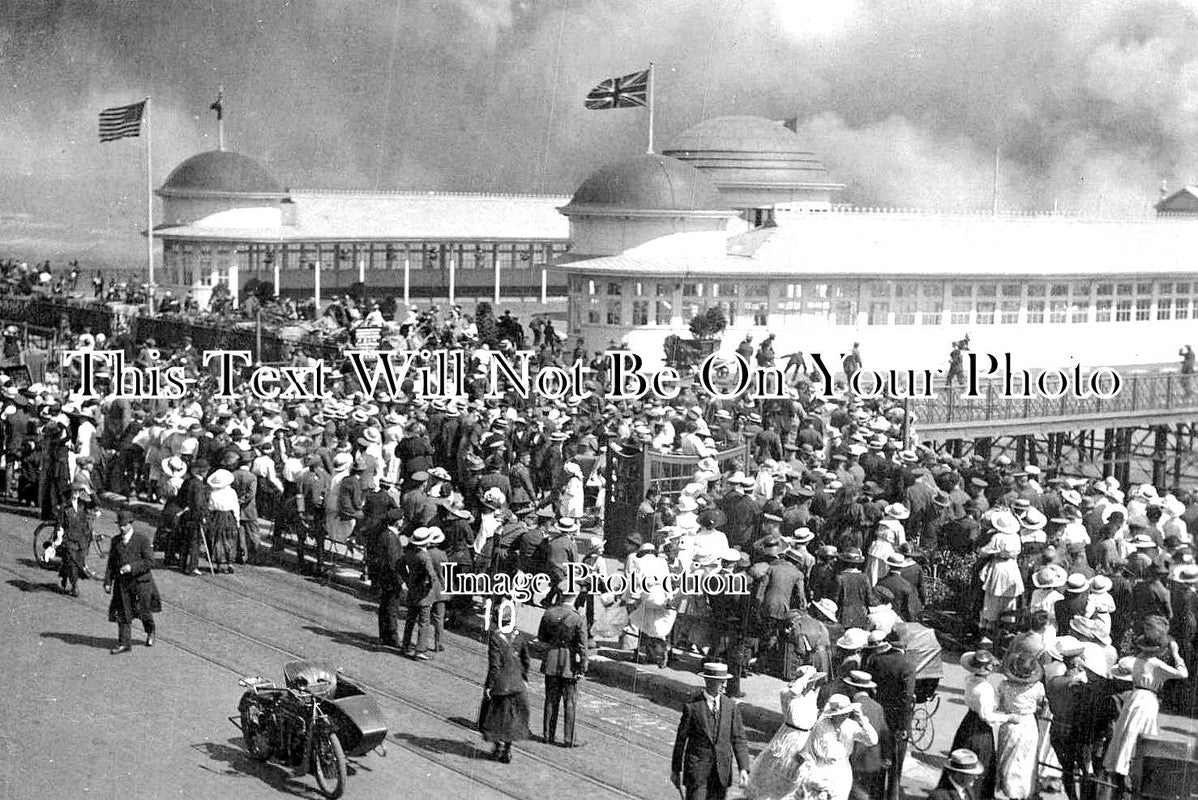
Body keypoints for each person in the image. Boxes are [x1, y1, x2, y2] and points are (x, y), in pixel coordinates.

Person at [1102, 628, 1189, 786]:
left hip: (1135, 696)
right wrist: (1176, 654)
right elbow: (1183, 674)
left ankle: (1121, 766)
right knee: (1140, 733)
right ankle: (1132, 770)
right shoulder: (1156, 664)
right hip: (1147, 699)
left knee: (1128, 731)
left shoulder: (1138, 659)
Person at [671, 662, 752, 800]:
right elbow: (681, 740)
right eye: (720, 682)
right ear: (708, 681)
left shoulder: (730, 707)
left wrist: (743, 768)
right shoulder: (693, 707)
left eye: (725, 681)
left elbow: (739, 739)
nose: (724, 685)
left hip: (721, 773)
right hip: (697, 773)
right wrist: (676, 769)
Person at [744, 665, 822, 800]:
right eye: (811, 681)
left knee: (800, 777)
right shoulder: (788, 693)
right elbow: (795, 690)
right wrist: (805, 677)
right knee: (780, 772)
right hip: (790, 737)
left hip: (806, 738)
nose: (813, 684)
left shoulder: (811, 695)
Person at [791, 693, 878, 800]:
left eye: (846, 713)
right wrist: (810, 773)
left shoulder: (850, 725)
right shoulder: (820, 727)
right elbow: (808, 752)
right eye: (840, 714)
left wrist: (862, 721)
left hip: (842, 770)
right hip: (821, 769)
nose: (843, 717)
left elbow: (872, 740)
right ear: (832, 714)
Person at [945, 650, 1006, 800]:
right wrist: (1008, 717)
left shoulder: (970, 680)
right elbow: (987, 716)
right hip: (980, 729)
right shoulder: (985, 689)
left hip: (968, 722)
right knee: (982, 762)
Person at [103, 510, 160, 654]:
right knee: (123, 613)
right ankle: (124, 643)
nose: (121, 528)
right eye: (119, 525)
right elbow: (111, 563)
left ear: (130, 524)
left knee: (143, 611)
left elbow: (150, 561)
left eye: (124, 525)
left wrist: (131, 567)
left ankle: (150, 630)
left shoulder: (142, 539)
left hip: (141, 583)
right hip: (123, 584)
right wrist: (108, 581)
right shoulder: (116, 540)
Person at [538, 580, 588, 747]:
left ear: (560, 594)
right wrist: (583, 667)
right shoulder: (577, 617)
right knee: (570, 702)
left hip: (551, 660)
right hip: (569, 663)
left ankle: (547, 735)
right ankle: (568, 740)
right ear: (575, 596)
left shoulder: (549, 613)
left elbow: (542, 638)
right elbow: (582, 646)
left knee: (550, 699)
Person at [478, 613, 532, 764]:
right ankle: (507, 748)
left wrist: (489, 686)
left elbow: (494, 666)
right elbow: (526, 659)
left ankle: (498, 746)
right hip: (517, 684)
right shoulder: (519, 635)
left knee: (495, 716)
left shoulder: (495, 638)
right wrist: (524, 677)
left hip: (501, 684)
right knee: (513, 717)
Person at [995, 652, 1047, 800]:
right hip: (1029, 724)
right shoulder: (1038, 688)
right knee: (1027, 760)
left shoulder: (1004, 685)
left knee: (1008, 758)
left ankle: (1010, 791)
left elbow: (999, 704)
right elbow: (1042, 704)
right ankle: (1024, 792)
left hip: (1011, 722)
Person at [56, 478, 96, 597]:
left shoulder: (83, 505)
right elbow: (60, 523)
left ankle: (65, 575)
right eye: (73, 491)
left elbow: (96, 503)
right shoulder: (64, 507)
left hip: (81, 539)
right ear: (70, 493)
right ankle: (75, 587)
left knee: (78, 562)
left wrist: (90, 492)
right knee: (72, 563)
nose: (76, 493)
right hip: (69, 539)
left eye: (78, 491)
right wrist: (58, 535)